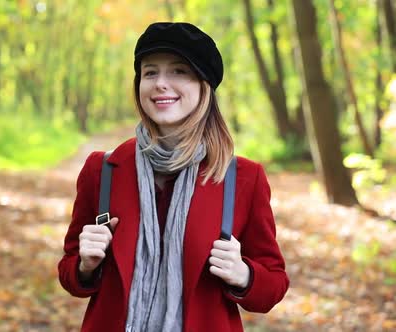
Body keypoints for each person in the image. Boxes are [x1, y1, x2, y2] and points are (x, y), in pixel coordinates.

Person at [58, 22, 289, 332]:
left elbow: (273, 285)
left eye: (179, 71)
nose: (160, 84)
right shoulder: (103, 170)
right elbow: (70, 271)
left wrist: (243, 274)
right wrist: (85, 266)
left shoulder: (243, 178)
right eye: (150, 72)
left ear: (203, 85)